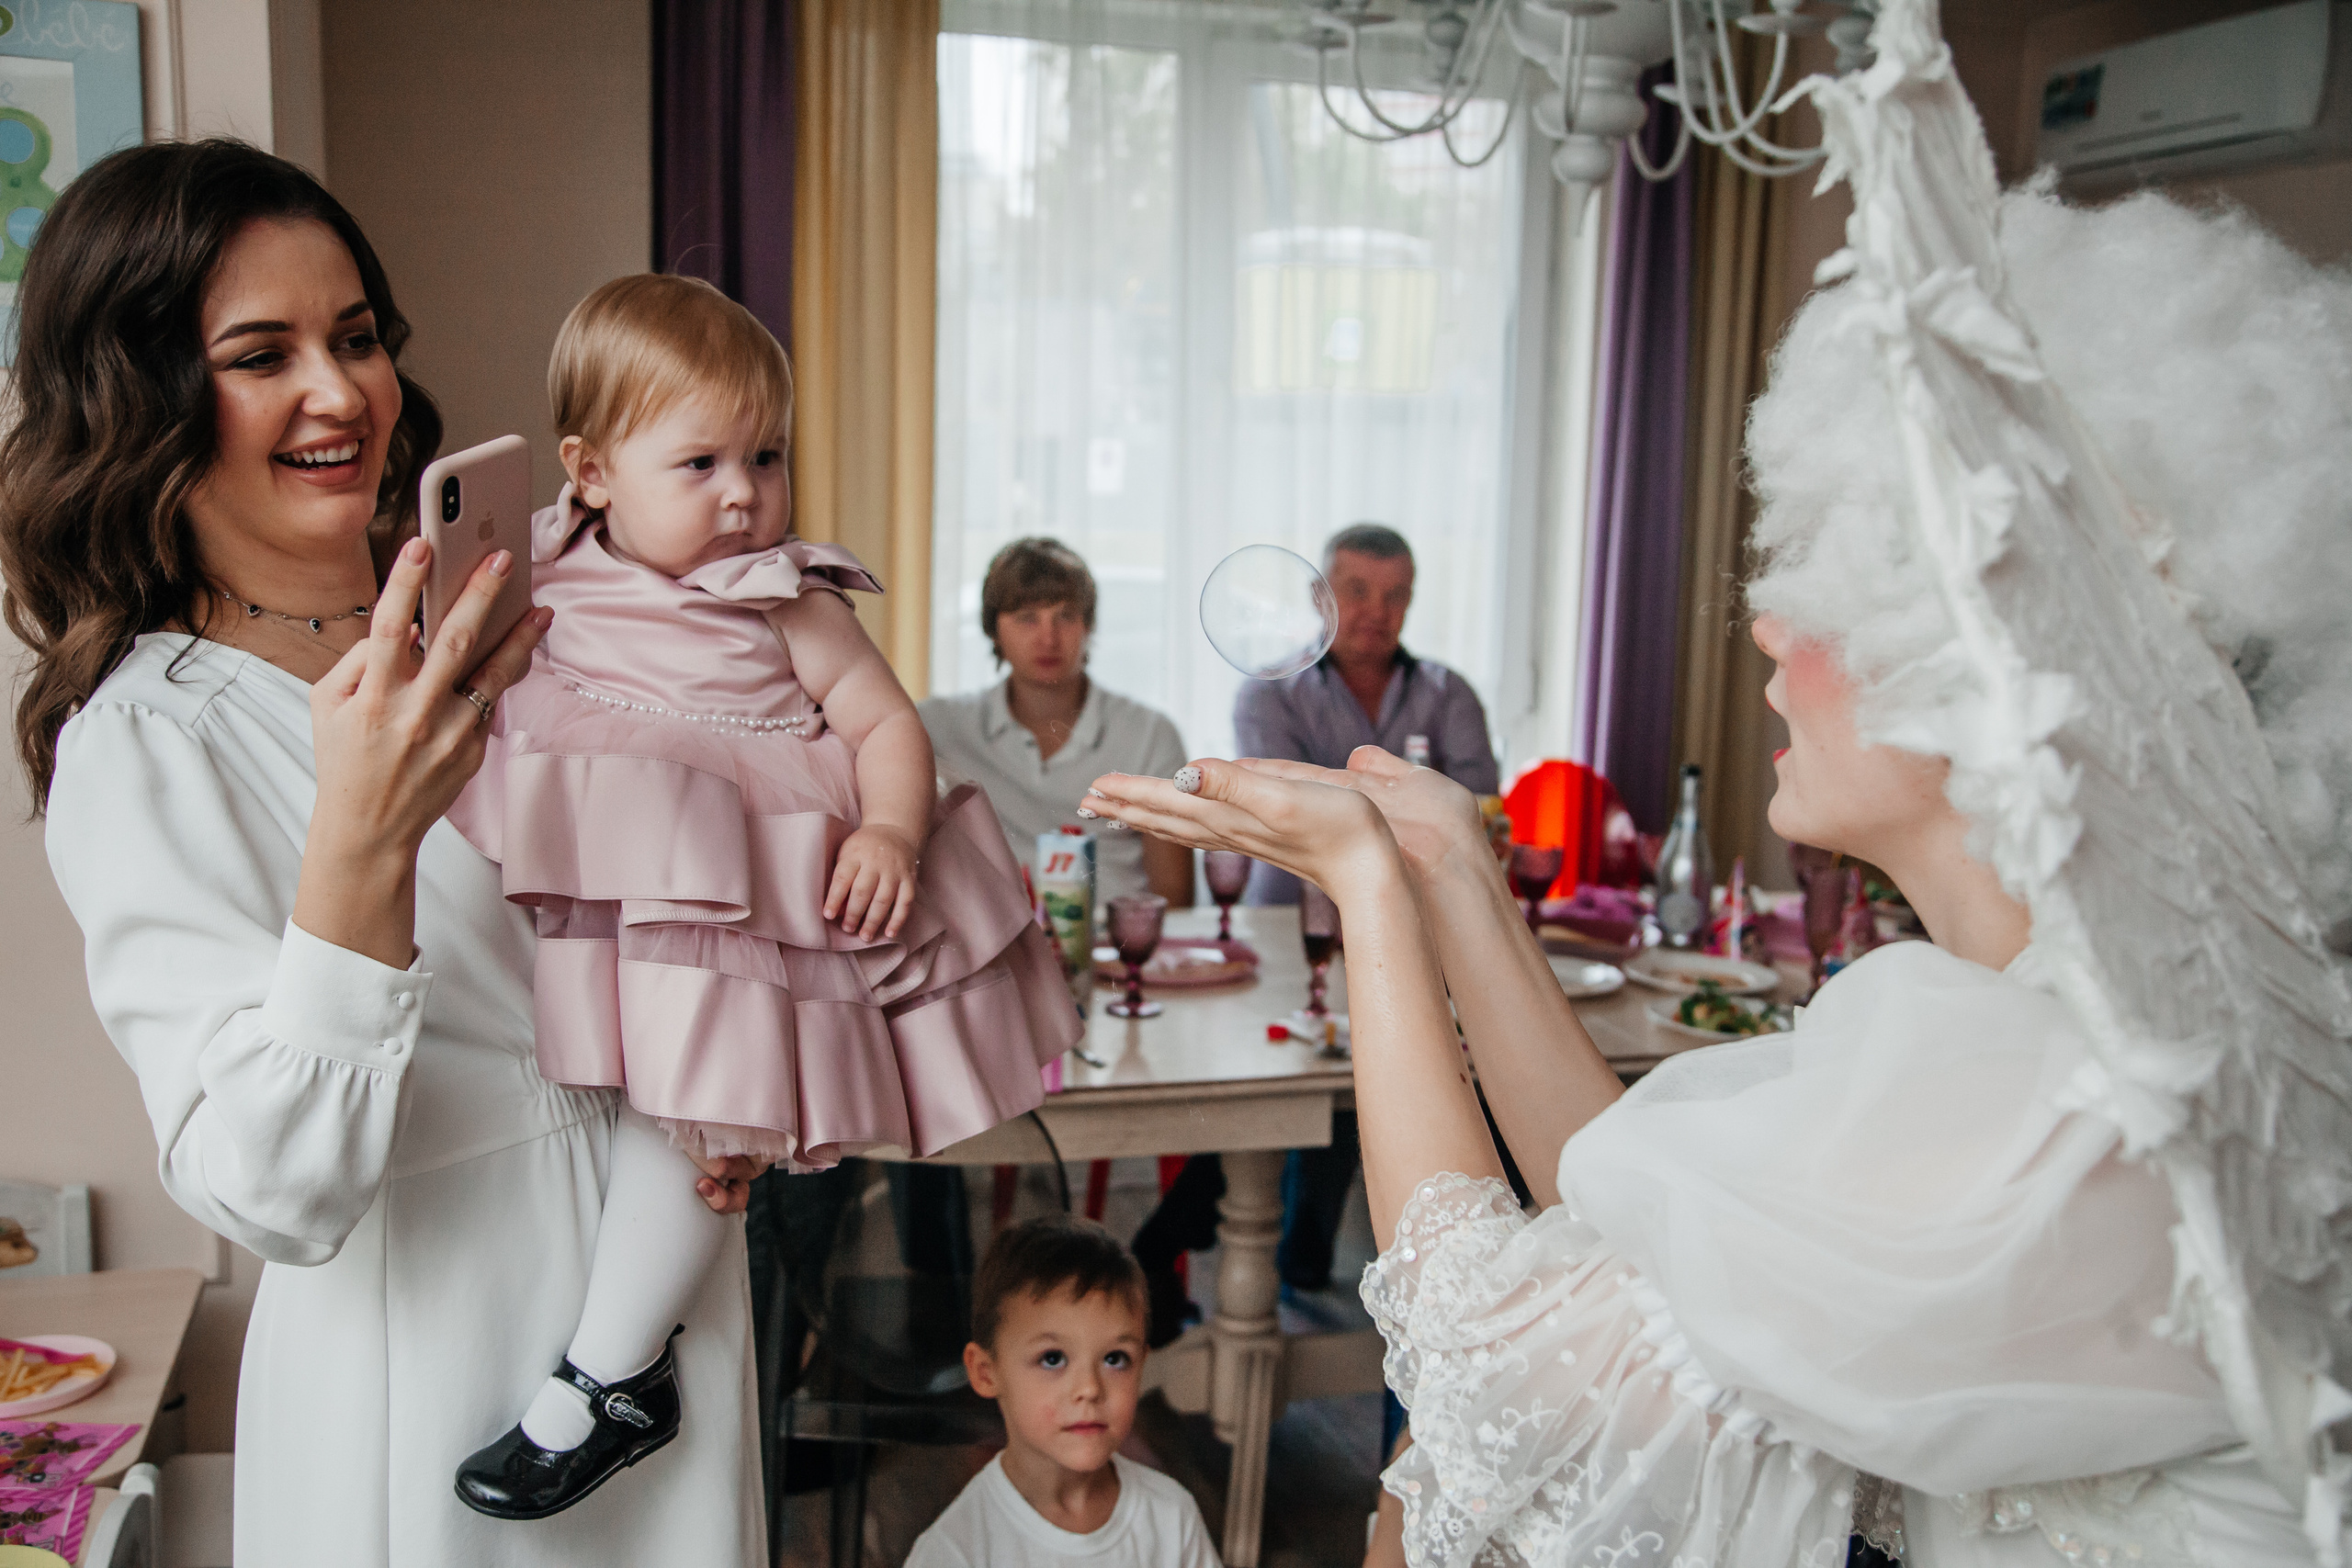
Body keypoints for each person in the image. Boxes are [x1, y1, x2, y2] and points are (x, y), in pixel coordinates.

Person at [1084, 10, 2352, 1565]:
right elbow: (1634, 1206)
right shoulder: (2080, 1017)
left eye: (1833, 569)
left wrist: (1368, 892)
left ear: (1997, 669)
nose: (1764, 617)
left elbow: (1491, 1380)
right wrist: (1457, 883)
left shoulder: (2036, 1078)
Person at [7, 141, 758, 1565]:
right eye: (259, 353)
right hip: (437, 1351)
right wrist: (363, 837)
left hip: (658, 1299)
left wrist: (742, 1076)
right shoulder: (153, 736)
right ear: (144, 394)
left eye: (355, 338)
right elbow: (272, 1186)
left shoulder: (513, 619)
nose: (341, 394)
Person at [444, 275, 1080, 1517]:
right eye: (700, 462)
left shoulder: (783, 594)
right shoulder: (545, 575)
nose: (745, 491)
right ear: (589, 471)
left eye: (767, 455)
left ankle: (609, 1373)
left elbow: (887, 722)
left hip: (757, 915)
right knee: (658, 1129)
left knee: (690, 1134)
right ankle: (612, 1369)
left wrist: (892, 827)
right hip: (629, 925)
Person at [906, 1216, 1220, 1568]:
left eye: (1115, 1359)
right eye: (1052, 1359)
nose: (1089, 1389)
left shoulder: (1172, 1518)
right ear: (986, 1372)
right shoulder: (954, 1552)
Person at [1231, 522, 1497, 908]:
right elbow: (1288, 814)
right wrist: (1418, 811)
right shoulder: (1266, 695)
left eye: (1395, 596)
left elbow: (1477, 817)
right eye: (1357, 591)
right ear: (1319, 596)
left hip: (1427, 914)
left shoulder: (1450, 693)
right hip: (1292, 914)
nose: (1377, 611)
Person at [921, 537, 1193, 905]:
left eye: (1065, 616)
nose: (1048, 638)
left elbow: (1174, 897)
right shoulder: (936, 726)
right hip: (997, 949)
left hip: (1118, 950)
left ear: (1088, 626)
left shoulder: (1150, 734)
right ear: (993, 629)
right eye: (1027, 618)